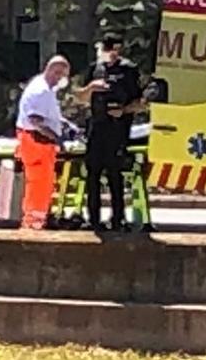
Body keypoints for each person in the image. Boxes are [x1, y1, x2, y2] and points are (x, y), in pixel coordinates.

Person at [82, 35, 146, 231]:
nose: (111, 52)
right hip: (96, 127)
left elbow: (140, 103)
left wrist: (123, 110)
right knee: (92, 174)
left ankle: (118, 218)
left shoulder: (128, 70)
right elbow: (81, 97)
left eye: (115, 48)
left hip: (117, 129)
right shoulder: (95, 69)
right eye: (107, 48)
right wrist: (91, 88)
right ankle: (93, 219)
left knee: (114, 174)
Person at [15, 56, 71, 230]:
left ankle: (37, 219)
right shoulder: (41, 91)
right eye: (60, 74)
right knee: (39, 183)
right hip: (36, 142)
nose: (61, 79)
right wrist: (57, 137)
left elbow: (47, 114)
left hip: (38, 142)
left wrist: (64, 123)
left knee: (42, 183)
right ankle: (33, 222)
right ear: (52, 71)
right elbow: (35, 120)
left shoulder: (46, 88)